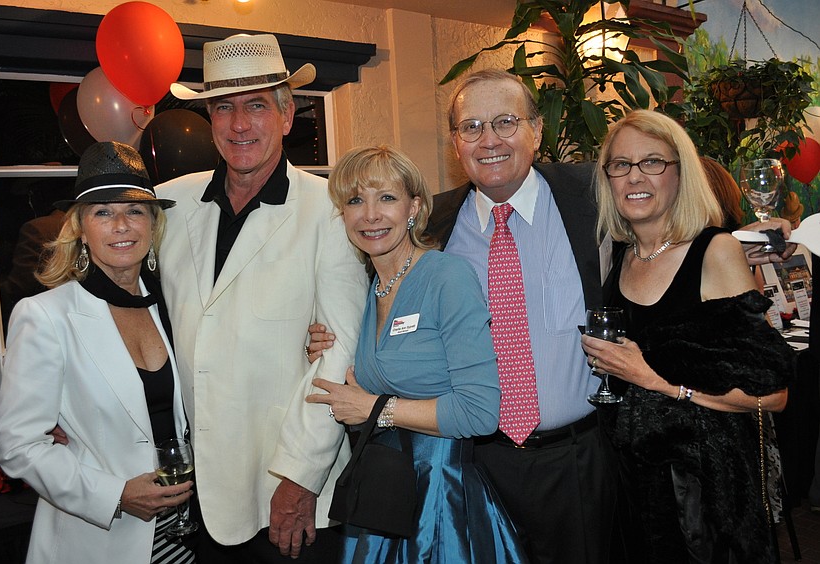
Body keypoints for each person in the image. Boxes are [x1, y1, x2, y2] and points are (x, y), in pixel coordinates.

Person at [305, 69, 797, 563]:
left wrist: (752, 238)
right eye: (471, 127)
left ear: (537, 131)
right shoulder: (432, 222)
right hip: (471, 463)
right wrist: (336, 338)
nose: (489, 140)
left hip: (580, 462)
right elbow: (389, 294)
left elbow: (663, 222)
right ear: (455, 143)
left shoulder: (591, 196)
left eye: (505, 122)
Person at [158, 33, 368, 562]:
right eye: (223, 108)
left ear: (287, 114)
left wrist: (300, 477)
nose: (239, 124)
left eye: (255, 106)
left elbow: (338, 355)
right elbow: (117, 303)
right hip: (194, 496)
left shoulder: (329, 210)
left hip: (286, 495)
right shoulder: (170, 204)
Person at [581, 109, 795, 563]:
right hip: (632, 488)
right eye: (620, 164)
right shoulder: (618, 255)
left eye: (652, 162)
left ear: (680, 174)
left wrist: (655, 379)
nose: (634, 176)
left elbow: (772, 395)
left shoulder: (715, 251)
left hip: (703, 497)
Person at [305, 145, 527, 563]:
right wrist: (317, 345)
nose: (370, 214)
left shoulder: (447, 276)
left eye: (387, 198)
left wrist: (375, 409)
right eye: (355, 200)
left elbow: (480, 412)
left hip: (442, 499)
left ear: (415, 207)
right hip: (385, 499)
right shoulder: (369, 289)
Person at [0, 141, 194, 564]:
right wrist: (115, 495)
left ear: (152, 224)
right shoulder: (45, 316)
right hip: (101, 539)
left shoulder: (173, 307)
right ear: (81, 229)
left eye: (134, 210)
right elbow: (18, 446)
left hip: (188, 533)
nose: (121, 225)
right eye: (103, 212)